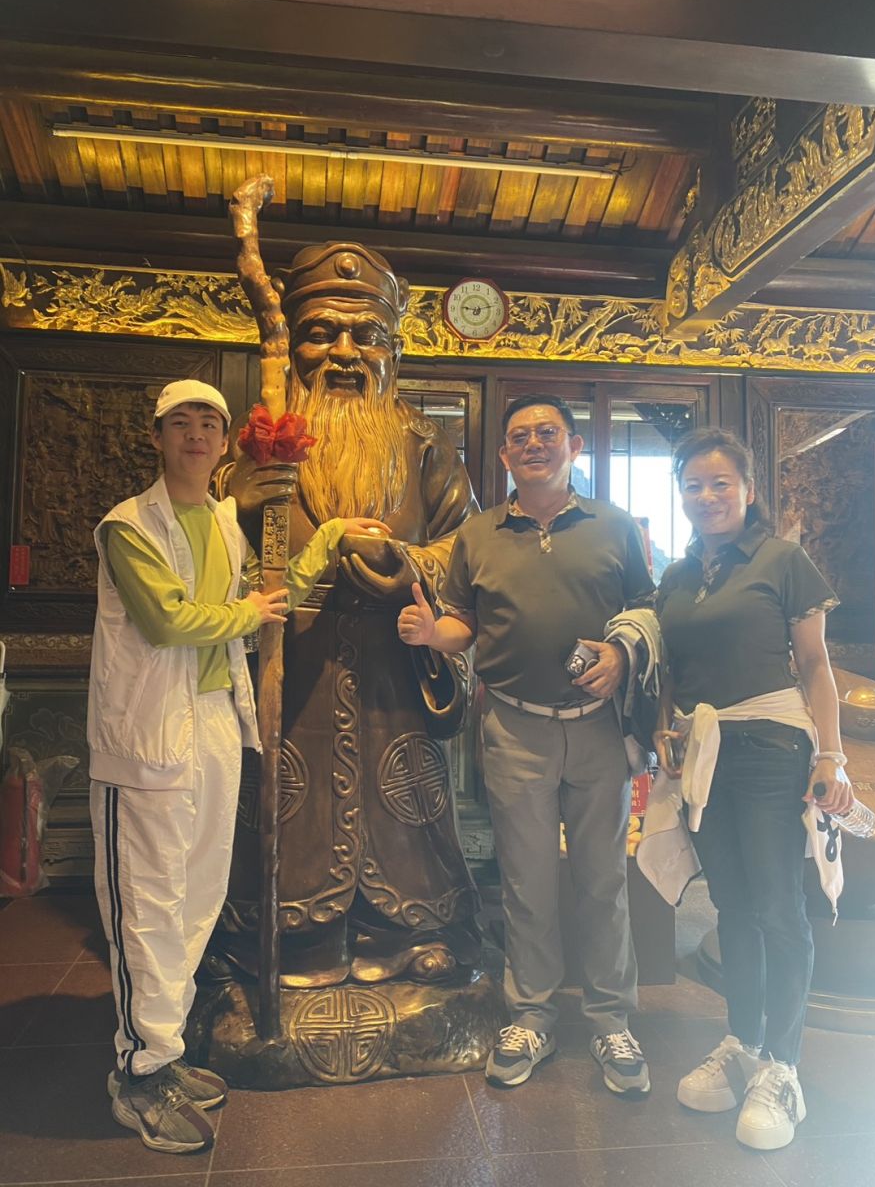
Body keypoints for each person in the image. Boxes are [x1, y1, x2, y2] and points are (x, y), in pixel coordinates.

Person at [87, 379, 388, 1153]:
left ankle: (164, 1052)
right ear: (158, 436)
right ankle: (137, 1074)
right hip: (146, 740)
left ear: (226, 443)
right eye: (181, 423)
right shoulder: (129, 525)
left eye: (209, 424)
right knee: (146, 906)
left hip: (217, 727)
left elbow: (271, 596)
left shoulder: (223, 522)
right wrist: (249, 613)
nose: (195, 435)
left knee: (196, 898)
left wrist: (329, 536)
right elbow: (166, 620)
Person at [219, 236, 481, 990]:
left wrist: (408, 566)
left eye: (365, 335)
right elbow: (204, 545)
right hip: (293, 659)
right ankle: (289, 935)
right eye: (320, 333)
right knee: (287, 799)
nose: (343, 352)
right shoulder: (260, 442)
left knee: (402, 803)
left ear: (392, 349)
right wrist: (238, 502)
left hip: (395, 664)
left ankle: (411, 925)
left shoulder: (427, 445)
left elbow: (466, 549)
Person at [398, 393, 656, 1095]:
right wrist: (434, 634)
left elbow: (647, 613)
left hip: (599, 728)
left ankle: (610, 1020)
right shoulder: (477, 534)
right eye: (520, 437)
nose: (533, 444)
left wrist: (622, 656)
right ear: (506, 455)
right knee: (526, 881)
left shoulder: (615, 526)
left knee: (603, 880)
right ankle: (533, 1016)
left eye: (547, 433)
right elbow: (465, 622)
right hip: (513, 727)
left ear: (574, 446)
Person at [653, 427, 852, 1151]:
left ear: (748, 489)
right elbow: (670, 666)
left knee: (777, 907)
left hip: (772, 746)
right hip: (705, 755)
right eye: (693, 485)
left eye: (721, 483)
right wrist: (663, 726)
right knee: (731, 905)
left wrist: (831, 754)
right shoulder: (677, 576)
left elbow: (816, 664)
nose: (706, 496)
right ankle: (742, 1043)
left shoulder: (782, 560)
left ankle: (784, 1068)